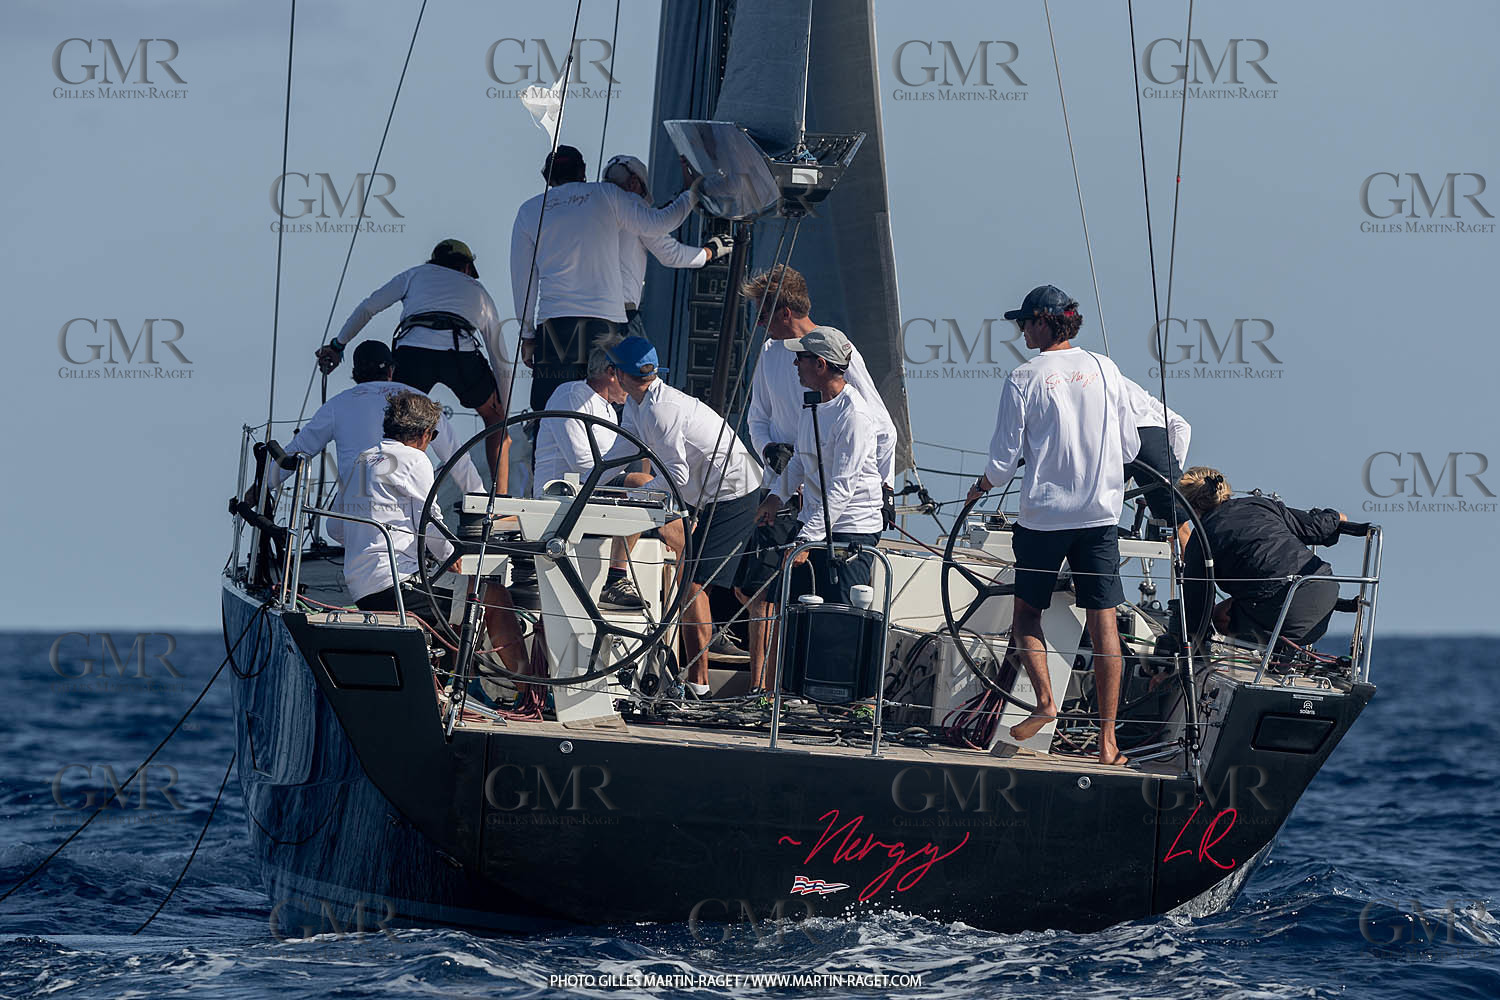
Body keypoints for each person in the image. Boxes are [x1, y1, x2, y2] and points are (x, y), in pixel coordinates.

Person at [966, 285, 1140, 766]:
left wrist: (981, 486)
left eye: (1024, 322)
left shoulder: (1024, 377)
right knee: (1104, 624)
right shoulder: (1106, 368)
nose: (1021, 330)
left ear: (1044, 323)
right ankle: (1108, 743)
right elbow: (1128, 448)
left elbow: (1002, 464)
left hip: (1043, 517)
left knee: (1026, 614)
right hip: (1101, 514)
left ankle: (1045, 703)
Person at [736, 264, 897, 687]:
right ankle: (765, 690)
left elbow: (882, 429)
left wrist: (884, 489)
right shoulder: (777, 360)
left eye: (762, 312)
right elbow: (759, 421)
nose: (756, 323)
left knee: (837, 609)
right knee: (761, 590)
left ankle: (845, 698)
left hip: (841, 512)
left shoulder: (837, 356)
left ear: (784, 311)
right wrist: (773, 469)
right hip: (792, 490)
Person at [610, 336, 763, 695]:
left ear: (618, 374)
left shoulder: (661, 411)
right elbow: (619, 450)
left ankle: (698, 687)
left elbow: (676, 477)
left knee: (693, 584)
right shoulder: (638, 404)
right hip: (707, 495)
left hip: (733, 493)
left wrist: (634, 496)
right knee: (692, 581)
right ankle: (697, 681)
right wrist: (586, 488)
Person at [344, 391, 529, 673]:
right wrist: (451, 558)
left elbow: (336, 528)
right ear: (425, 433)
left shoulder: (363, 459)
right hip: (397, 588)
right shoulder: (414, 460)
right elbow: (430, 521)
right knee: (494, 595)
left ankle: (450, 681)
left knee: (458, 594)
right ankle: (529, 690)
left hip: (362, 588)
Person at [510, 145, 701, 415]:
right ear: (584, 171)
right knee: (620, 406)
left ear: (548, 178)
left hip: (557, 328)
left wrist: (527, 335)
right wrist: (691, 193)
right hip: (607, 325)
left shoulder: (529, 211)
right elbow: (659, 223)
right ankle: (615, 456)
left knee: (551, 409)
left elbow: (524, 281)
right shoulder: (608, 195)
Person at [314, 239, 512, 487]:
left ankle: (390, 485)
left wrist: (338, 345)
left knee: (397, 421)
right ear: (466, 268)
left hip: (414, 352)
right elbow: (499, 355)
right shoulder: (478, 290)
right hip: (459, 353)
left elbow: (369, 307)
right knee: (495, 420)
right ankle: (500, 500)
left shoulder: (416, 275)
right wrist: (504, 408)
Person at [531, 335, 684, 612]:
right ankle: (618, 579)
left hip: (591, 489)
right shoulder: (571, 395)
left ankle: (689, 590)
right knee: (646, 486)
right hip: (563, 493)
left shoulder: (610, 411)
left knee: (663, 499)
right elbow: (583, 464)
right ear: (613, 373)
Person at [273, 342, 485, 528]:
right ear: (391, 370)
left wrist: (259, 490)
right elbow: (458, 459)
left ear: (355, 374)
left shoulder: (338, 404)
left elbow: (296, 452)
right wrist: (482, 504)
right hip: (406, 521)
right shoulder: (418, 399)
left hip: (355, 517)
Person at [1177, 467, 1347, 646]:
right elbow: (1316, 529)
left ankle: (1275, 654)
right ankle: (1282, 653)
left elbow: (1197, 607)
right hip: (1325, 587)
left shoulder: (1200, 539)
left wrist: (1185, 648)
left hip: (1289, 613)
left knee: (1220, 617)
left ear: (1189, 505)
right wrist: (1335, 517)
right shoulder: (1259, 504)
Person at [601, 154, 732, 339]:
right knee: (642, 367)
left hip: (580, 314)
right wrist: (710, 251)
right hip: (619, 315)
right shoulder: (633, 210)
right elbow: (670, 254)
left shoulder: (591, 209)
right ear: (633, 184)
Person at [1120, 377, 1193, 549]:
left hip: (1111, 439)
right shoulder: (1137, 391)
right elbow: (1181, 426)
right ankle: (1194, 575)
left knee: (1083, 512)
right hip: (1151, 437)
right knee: (1179, 525)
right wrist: (1168, 482)